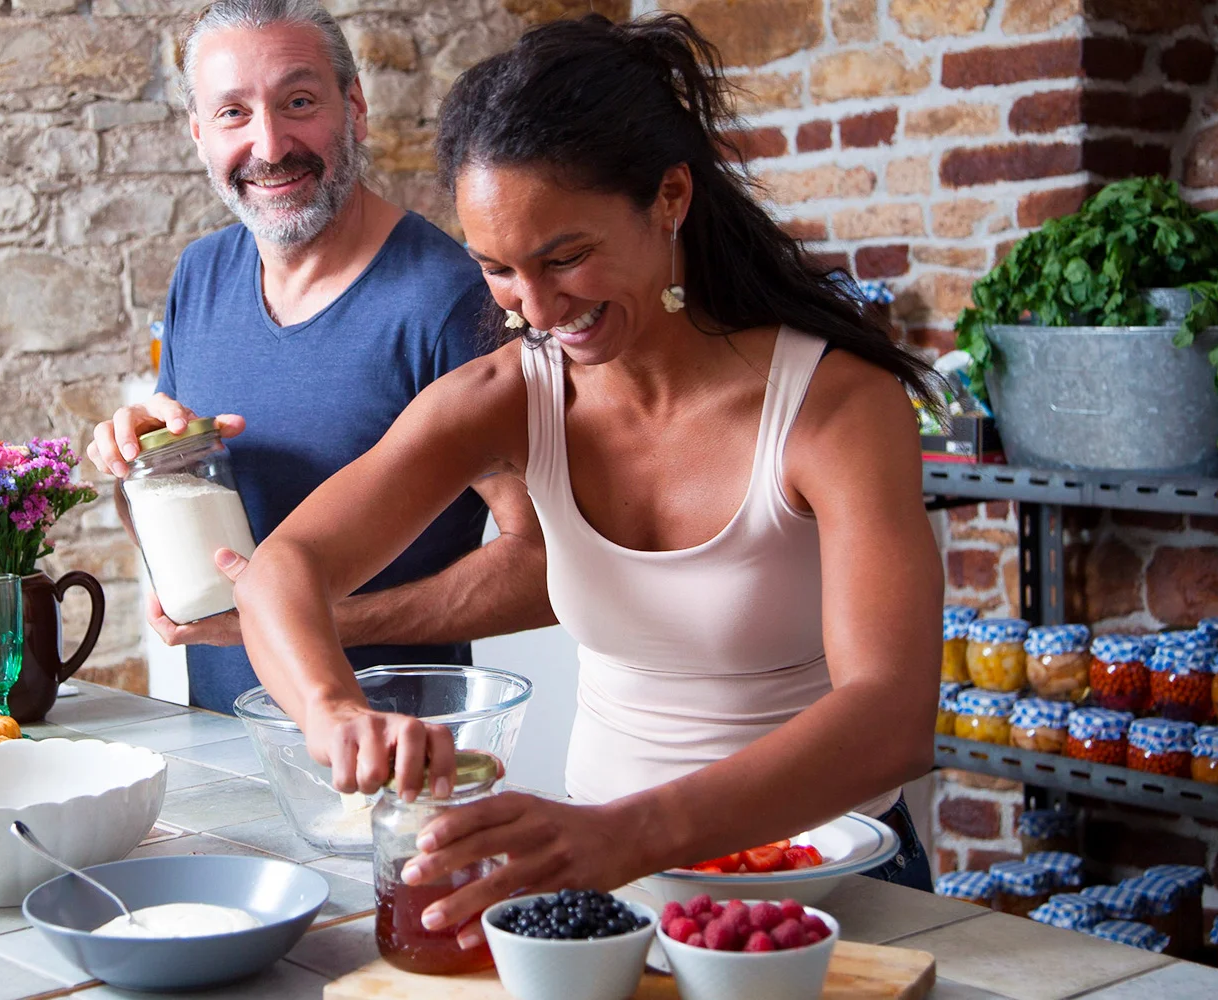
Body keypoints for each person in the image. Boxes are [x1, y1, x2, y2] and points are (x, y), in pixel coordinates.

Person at [232, 12, 943, 946]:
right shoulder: (506, 396)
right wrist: (333, 710)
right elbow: (286, 569)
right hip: (597, 890)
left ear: (670, 197)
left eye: (566, 257)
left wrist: (629, 834)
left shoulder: (836, 406)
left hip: (827, 888)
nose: (536, 307)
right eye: (497, 270)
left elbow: (890, 718)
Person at [87, 0, 553, 712]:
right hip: (221, 741)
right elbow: (189, 514)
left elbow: (545, 565)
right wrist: (137, 464)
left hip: (397, 765)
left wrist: (307, 620)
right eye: (233, 113)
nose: (270, 146)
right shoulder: (201, 275)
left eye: (298, 102)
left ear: (354, 108)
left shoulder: (447, 297)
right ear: (198, 134)